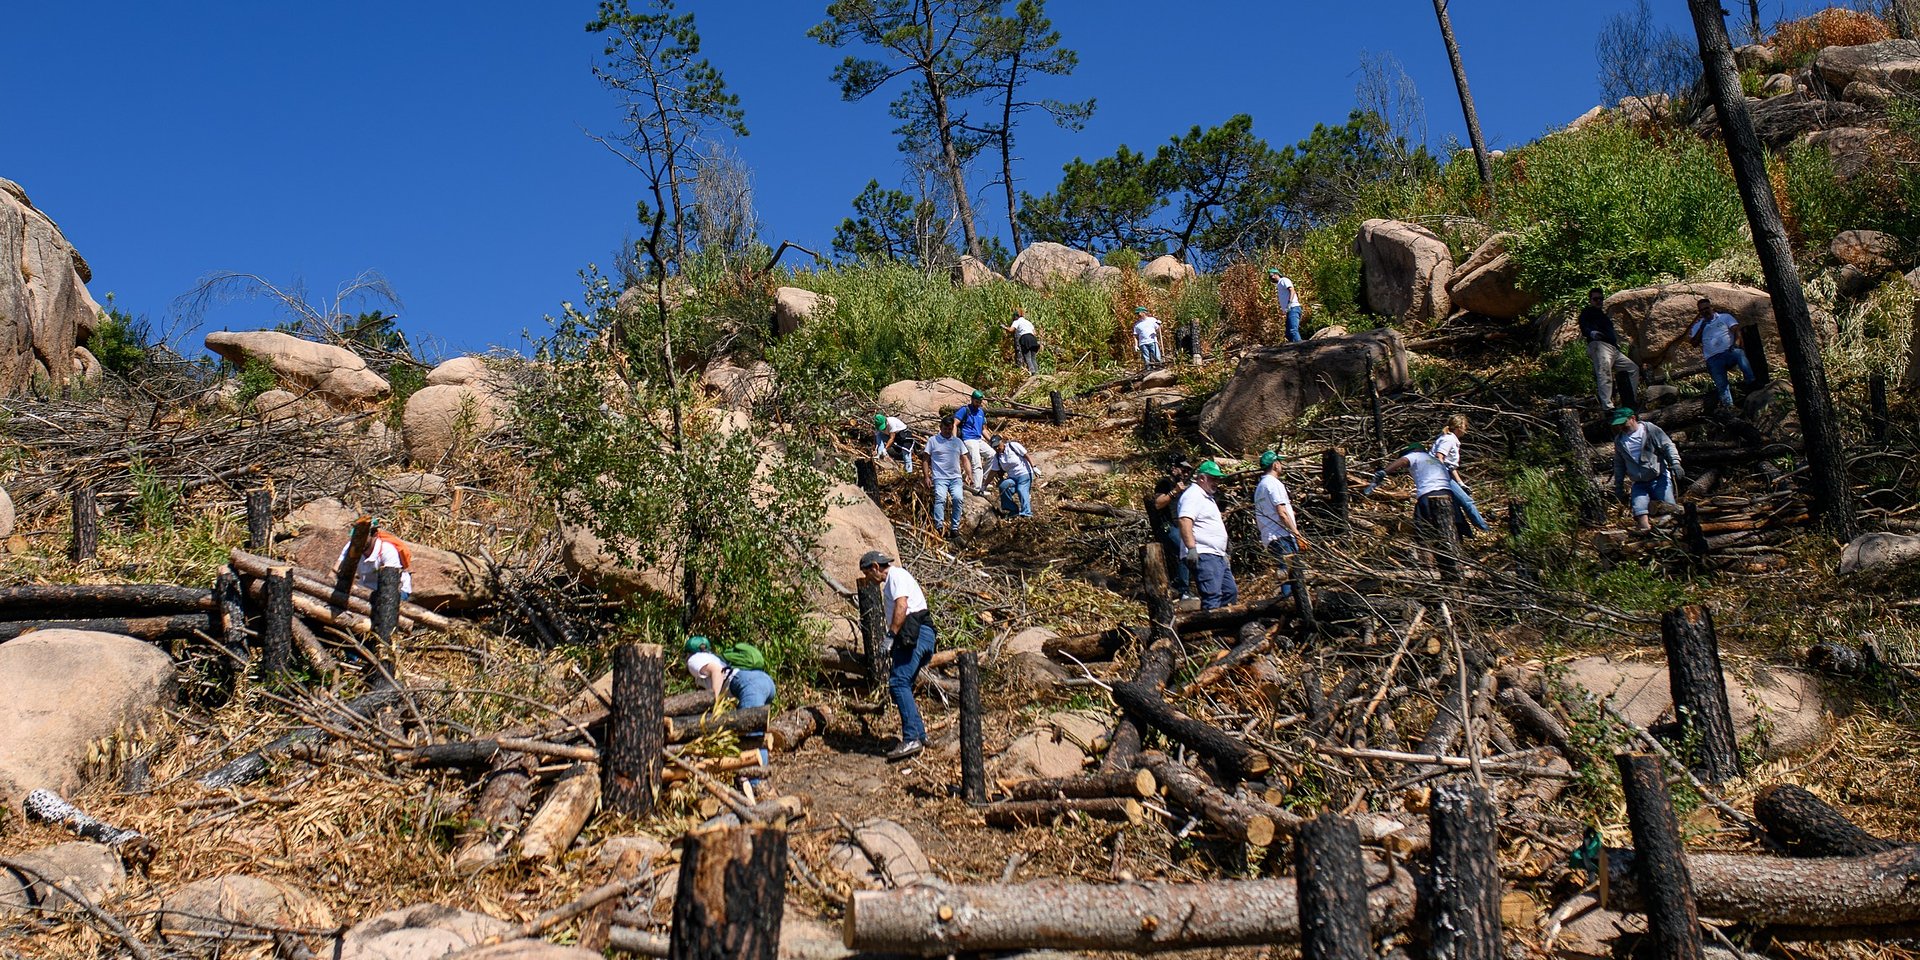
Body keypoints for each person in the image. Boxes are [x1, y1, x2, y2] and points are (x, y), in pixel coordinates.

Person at [859, 551, 935, 761]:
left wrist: (891, 635)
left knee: (898, 683)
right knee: (904, 683)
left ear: (875, 567)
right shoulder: (896, 579)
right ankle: (920, 735)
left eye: (867, 573)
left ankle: (911, 738)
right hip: (920, 634)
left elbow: (902, 605)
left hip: (916, 633)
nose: (868, 579)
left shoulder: (896, 577)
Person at [1365, 442, 1470, 539]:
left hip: (1428, 495)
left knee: (1424, 536)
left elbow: (1403, 460)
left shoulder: (1415, 455)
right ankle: (1456, 555)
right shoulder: (1435, 460)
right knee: (1454, 529)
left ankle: (1428, 556)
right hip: (1448, 495)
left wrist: (1384, 472)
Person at [1610, 408, 1684, 534]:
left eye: (1623, 423)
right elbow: (1619, 464)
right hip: (1639, 482)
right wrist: (1618, 485)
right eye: (1619, 424)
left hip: (1659, 477)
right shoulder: (1619, 440)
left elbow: (1667, 446)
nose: (1621, 426)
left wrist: (1676, 463)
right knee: (1639, 508)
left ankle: (1672, 534)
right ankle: (1646, 534)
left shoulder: (1650, 430)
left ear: (1632, 418)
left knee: (1669, 507)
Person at [1178, 460, 1238, 610]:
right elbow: (1185, 521)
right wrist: (1191, 548)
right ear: (1202, 478)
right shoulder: (1193, 495)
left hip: (1216, 555)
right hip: (1204, 553)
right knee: (1212, 595)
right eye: (1212, 478)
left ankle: (1224, 629)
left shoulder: (1206, 497)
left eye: (1217, 479)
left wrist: (1222, 552)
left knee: (1229, 592)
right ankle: (1210, 631)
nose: (1216, 482)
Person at [1688, 297, 1757, 411]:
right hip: (1713, 358)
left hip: (1728, 352)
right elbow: (1694, 343)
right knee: (1721, 384)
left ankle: (1752, 383)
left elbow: (1736, 330)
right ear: (1699, 312)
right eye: (1702, 310)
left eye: (1707, 308)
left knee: (1739, 354)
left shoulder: (1725, 317)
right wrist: (1702, 327)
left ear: (1712, 307)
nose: (1705, 311)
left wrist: (1736, 343)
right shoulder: (1698, 325)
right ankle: (1729, 407)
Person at [1578, 287, 1641, 411]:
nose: (1598, 301)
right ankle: (1608, 407)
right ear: (1590, 300)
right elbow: (1583, 326)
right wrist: (1592, 333)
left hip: (1613, 348)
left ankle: (1630, 401)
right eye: (1595, 299)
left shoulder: (1603, 315)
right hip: (1599, 345)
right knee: (1604, 373)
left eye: (1601, 299)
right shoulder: (1587, 312)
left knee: (1632, 369)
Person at [1429, 415, 1491, 535]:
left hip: (1442, 473)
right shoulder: (1449, 439)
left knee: (1455, 504)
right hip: (1440, 474)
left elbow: (1451, 467)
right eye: (1465, 426)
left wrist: (1461, 483)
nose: (1466, 429)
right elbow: (1439, 457)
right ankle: (1484, 528)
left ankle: (1464, 532)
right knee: (1467, 501)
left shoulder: (1450, 439)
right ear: (1459, 427)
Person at [684, 635, 776, 709]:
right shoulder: (714, 657)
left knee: (749, 727)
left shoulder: (693, 660)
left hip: (749, 684)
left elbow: (716, 670)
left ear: (688, 653)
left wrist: (714, 702)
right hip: (765, 681)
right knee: (754, 724)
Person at [1253, 450, 1310, 568]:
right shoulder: (1274, 484)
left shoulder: (1260, 487)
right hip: (1282, 537)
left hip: (1269, 537)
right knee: (1291, 575)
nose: (1281, 465)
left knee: (1287, 574)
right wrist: (1297, 534)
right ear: (1275, 465)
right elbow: (1282, 513)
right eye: (1279, 462)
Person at [333, 516, 413, 600]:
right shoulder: (352, 546)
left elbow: (391, 584)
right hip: (366, 588)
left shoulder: (387, 550)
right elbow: (335, 570)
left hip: (395, 589)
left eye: (362, 537)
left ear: (374, 534)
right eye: (356, 537)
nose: (358, 541)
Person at [1150, 458, 1196, 601]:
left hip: (1181, 526)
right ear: (1174, 469)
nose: (1186, 473)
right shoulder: (1165, 483)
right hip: (1168, 527)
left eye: (1188, 470)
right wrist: (1174, 492)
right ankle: (1183, 590)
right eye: (1183, 469)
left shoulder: (1188, 486)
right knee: (1185, 550)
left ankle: (1180, 584)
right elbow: (1157, 504)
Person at [923, 414, 967, 539]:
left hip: (955, 477)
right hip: (939, 477)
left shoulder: (957, 441)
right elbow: (925, 459)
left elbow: (965, 459)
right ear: (940, 427)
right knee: (940, 499)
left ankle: (954, 528)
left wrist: (969, 474)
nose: (947, 431)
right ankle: (939, 526)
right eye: (945, 428)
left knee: (958, 499)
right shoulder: (933, 441)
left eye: (950, 428)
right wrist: (926, 476)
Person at [987, 434, 1037, 519]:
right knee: (1004, 486)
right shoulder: (997, 457)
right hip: (1012, 477)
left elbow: (1026, 455)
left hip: (1024, 473)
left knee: (1021, 489)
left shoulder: (1013, 446)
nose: (997, 448)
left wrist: (1034, 467)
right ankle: (1013, 510)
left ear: (1002, 442)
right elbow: (993, 471)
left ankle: (1026, 512)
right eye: (994, 447)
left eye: (998, 446)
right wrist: (984, 485)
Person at [956, 389, 992, 493]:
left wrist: (991, 441)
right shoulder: (965, 410)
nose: (978, 404)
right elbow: (955, 423)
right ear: (972, 399)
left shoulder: (981, 412)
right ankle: (978, 488)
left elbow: (983, 429)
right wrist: (954, 440)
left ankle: (983, 481)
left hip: (978, 439)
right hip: (969, 439)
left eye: (980, 402)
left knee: (993, 455)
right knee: (977, 463)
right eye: (977, 402)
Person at [1269, 268, 1303, 343]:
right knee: (1288, 333)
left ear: (1276, 274)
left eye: (1271, 276)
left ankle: (1301, 348)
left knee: (1293, 330)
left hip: (1293, 307)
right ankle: (1294, 349)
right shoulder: (1279, 284)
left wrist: (1290, 303)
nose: (1271, 278)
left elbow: (1292, 290)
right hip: (1289, 310)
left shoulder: (1284, 280)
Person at [1005, 308, 1041, 374]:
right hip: (1033, 338)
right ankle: (1037, 372)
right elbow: (1035, 333)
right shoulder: (1028, 322)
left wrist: (1004, 327)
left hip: (1025, 338)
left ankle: (1033, 372)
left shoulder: (1016, 321)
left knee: (1027, 357)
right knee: (1033, 357)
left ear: (1016, 316)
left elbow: (1011, 330)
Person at [1132, 306, 1163, 370]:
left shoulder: (1152, 320)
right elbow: (1135, 336)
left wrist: (1160, 324)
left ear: (1144, 313)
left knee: (1157, 357)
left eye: (1139, 313)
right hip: (1143, 344)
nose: (1138, 315)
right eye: (1137, 314)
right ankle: (1148, 371)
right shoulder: (1137, 325)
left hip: (1152, 341)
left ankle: (1160, 369)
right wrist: (1136, 345)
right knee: (1146, 360)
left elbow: (1158, 328)